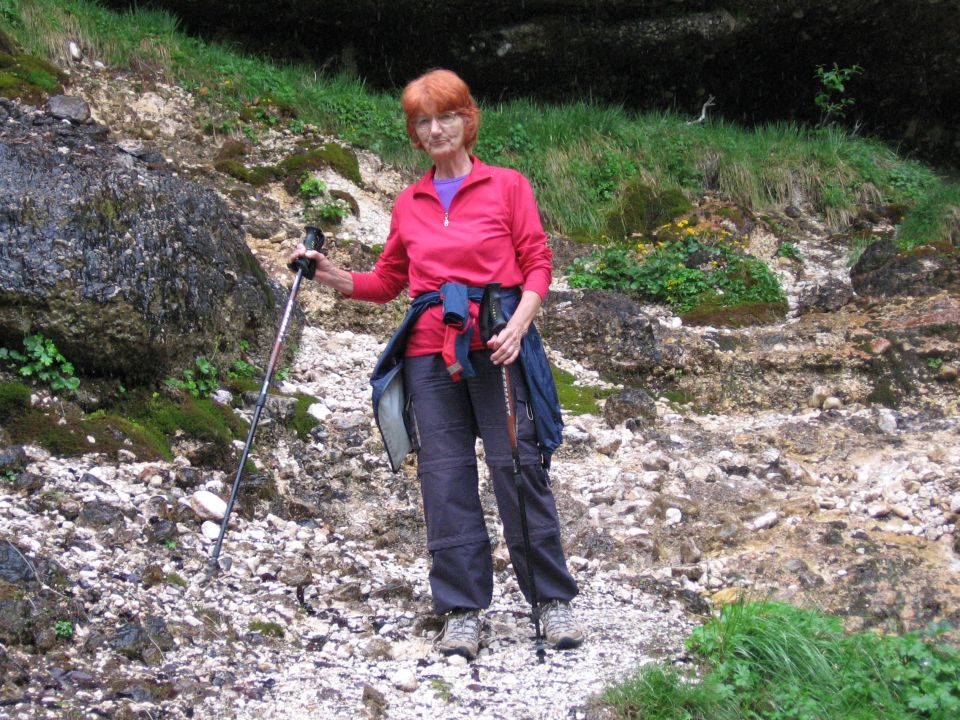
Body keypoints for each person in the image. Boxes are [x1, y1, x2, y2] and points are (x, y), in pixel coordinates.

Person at [289, 68, 582, 660]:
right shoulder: (409, 201)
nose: (436, 128)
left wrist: (520, 326)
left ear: (467, 120)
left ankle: (550, 602)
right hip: (429, 355)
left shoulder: (507, 186)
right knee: (444, 481)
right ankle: (462, 612)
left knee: (518, 468)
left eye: (446, 115)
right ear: (414, 134)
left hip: (498, 344)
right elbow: (389, 280)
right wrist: (331, 276)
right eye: (423, 121)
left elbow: (537, 263)